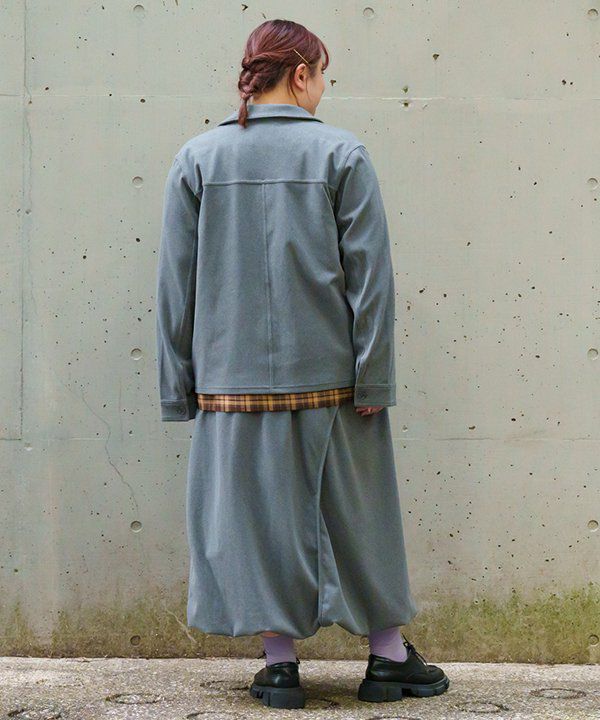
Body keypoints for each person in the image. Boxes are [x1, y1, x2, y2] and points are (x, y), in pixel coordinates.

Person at [155, 18, 449, 710]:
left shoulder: (198, 158)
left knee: (253, 521)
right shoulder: (342, 153)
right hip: (333, 377)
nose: (323, 90)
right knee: (359, 512)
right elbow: (370, 279)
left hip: (229, 382)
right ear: (302, 73)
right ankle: (388, 656)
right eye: (323, 76)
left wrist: (178, 385)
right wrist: (376, 373)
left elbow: (175, 283)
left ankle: (280, 666)